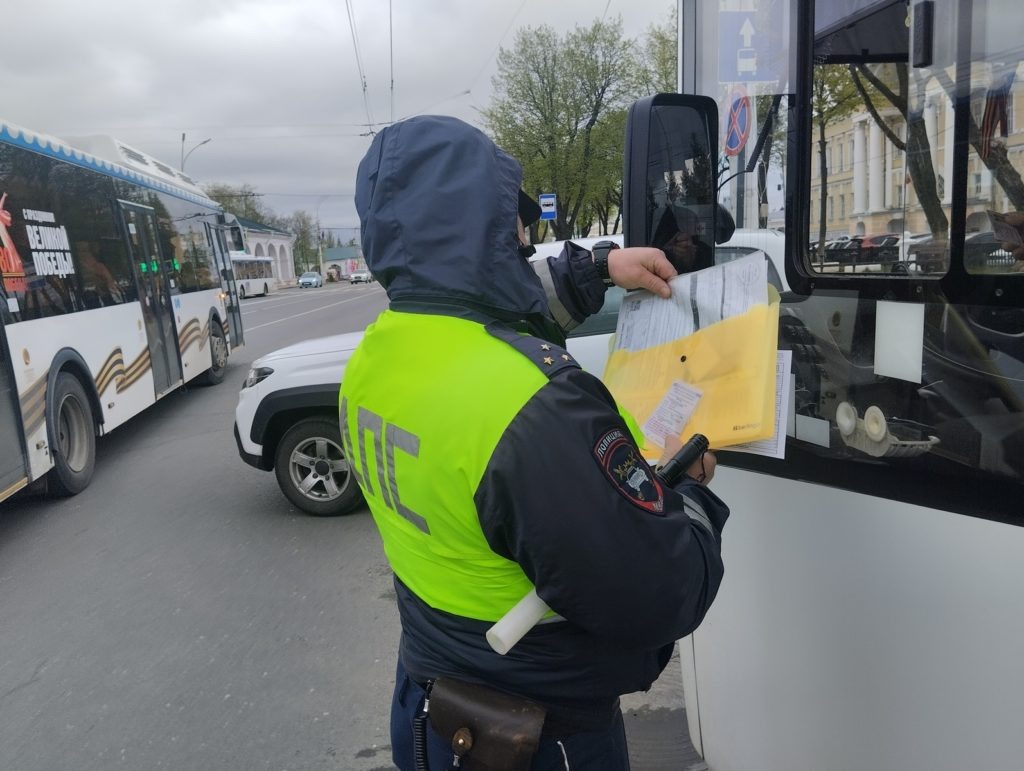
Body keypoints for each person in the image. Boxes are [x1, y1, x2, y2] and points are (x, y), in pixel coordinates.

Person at [340, 115, 729, 770]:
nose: (523, 236)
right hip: (537, 738)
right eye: (510, 219)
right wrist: (687, 491)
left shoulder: (377, 357)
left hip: (427, 709)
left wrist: (603, 266)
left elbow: (498, 307)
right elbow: (661, 588)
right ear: (486, 231)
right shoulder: (534, 407)